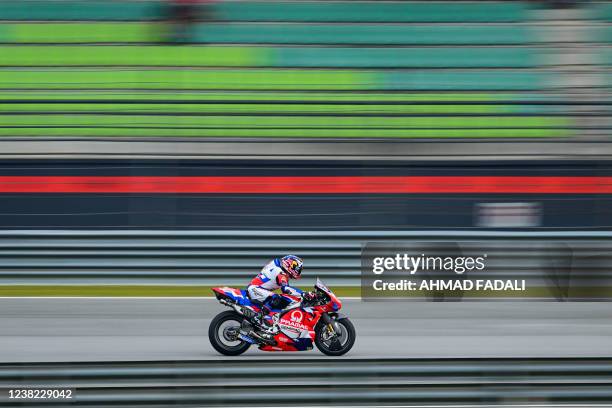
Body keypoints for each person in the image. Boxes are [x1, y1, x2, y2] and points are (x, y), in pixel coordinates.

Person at [247, 255, 315, 330]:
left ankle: (273, 318)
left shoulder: (280, 270)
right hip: (255, 289)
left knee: (284, 298)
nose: (298, 271)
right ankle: (258, 317)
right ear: (290, 265)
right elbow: (285, 289)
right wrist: (303, 293)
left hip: (258, 289)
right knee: (276, 297)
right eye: (297, 268)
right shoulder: (280, 272)